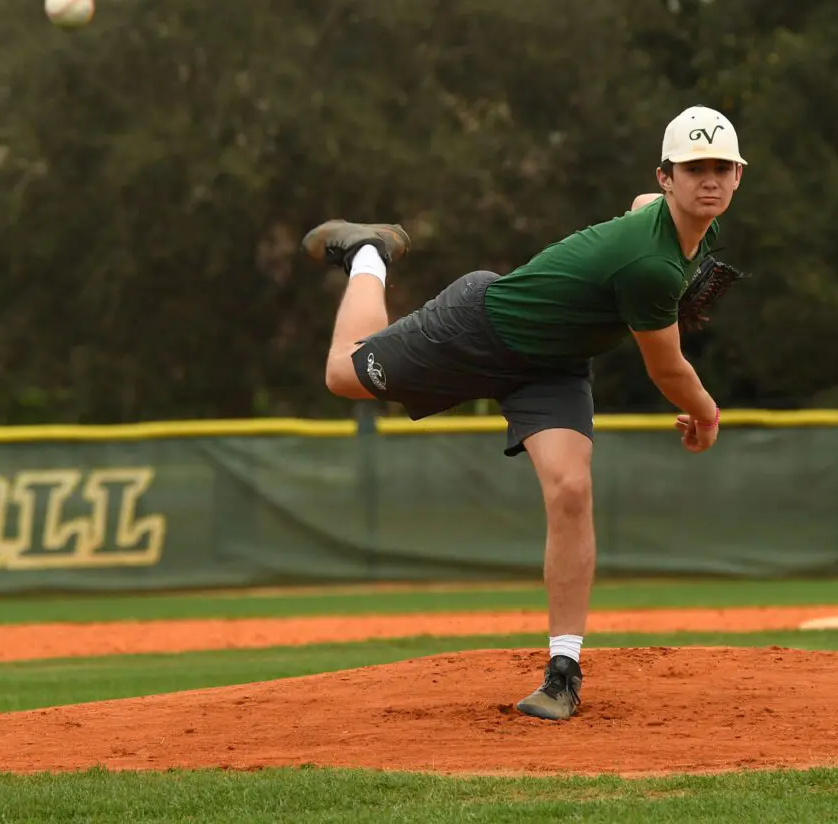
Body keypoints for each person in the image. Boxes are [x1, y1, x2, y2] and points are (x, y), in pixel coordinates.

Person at [300, 105, 746, 720]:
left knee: (570, 488)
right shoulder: (650, 267)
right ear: (669, 174)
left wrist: (650, 214)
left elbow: (644, 204)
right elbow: (667, 370)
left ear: (738, 177)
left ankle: (563, 671)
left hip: (555, 366)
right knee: (342, 375)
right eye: (694, 168)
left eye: (721, 167)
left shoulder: (694, 225)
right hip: (482, 329)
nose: (710, 180)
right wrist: (707, 415)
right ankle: (369, 253)